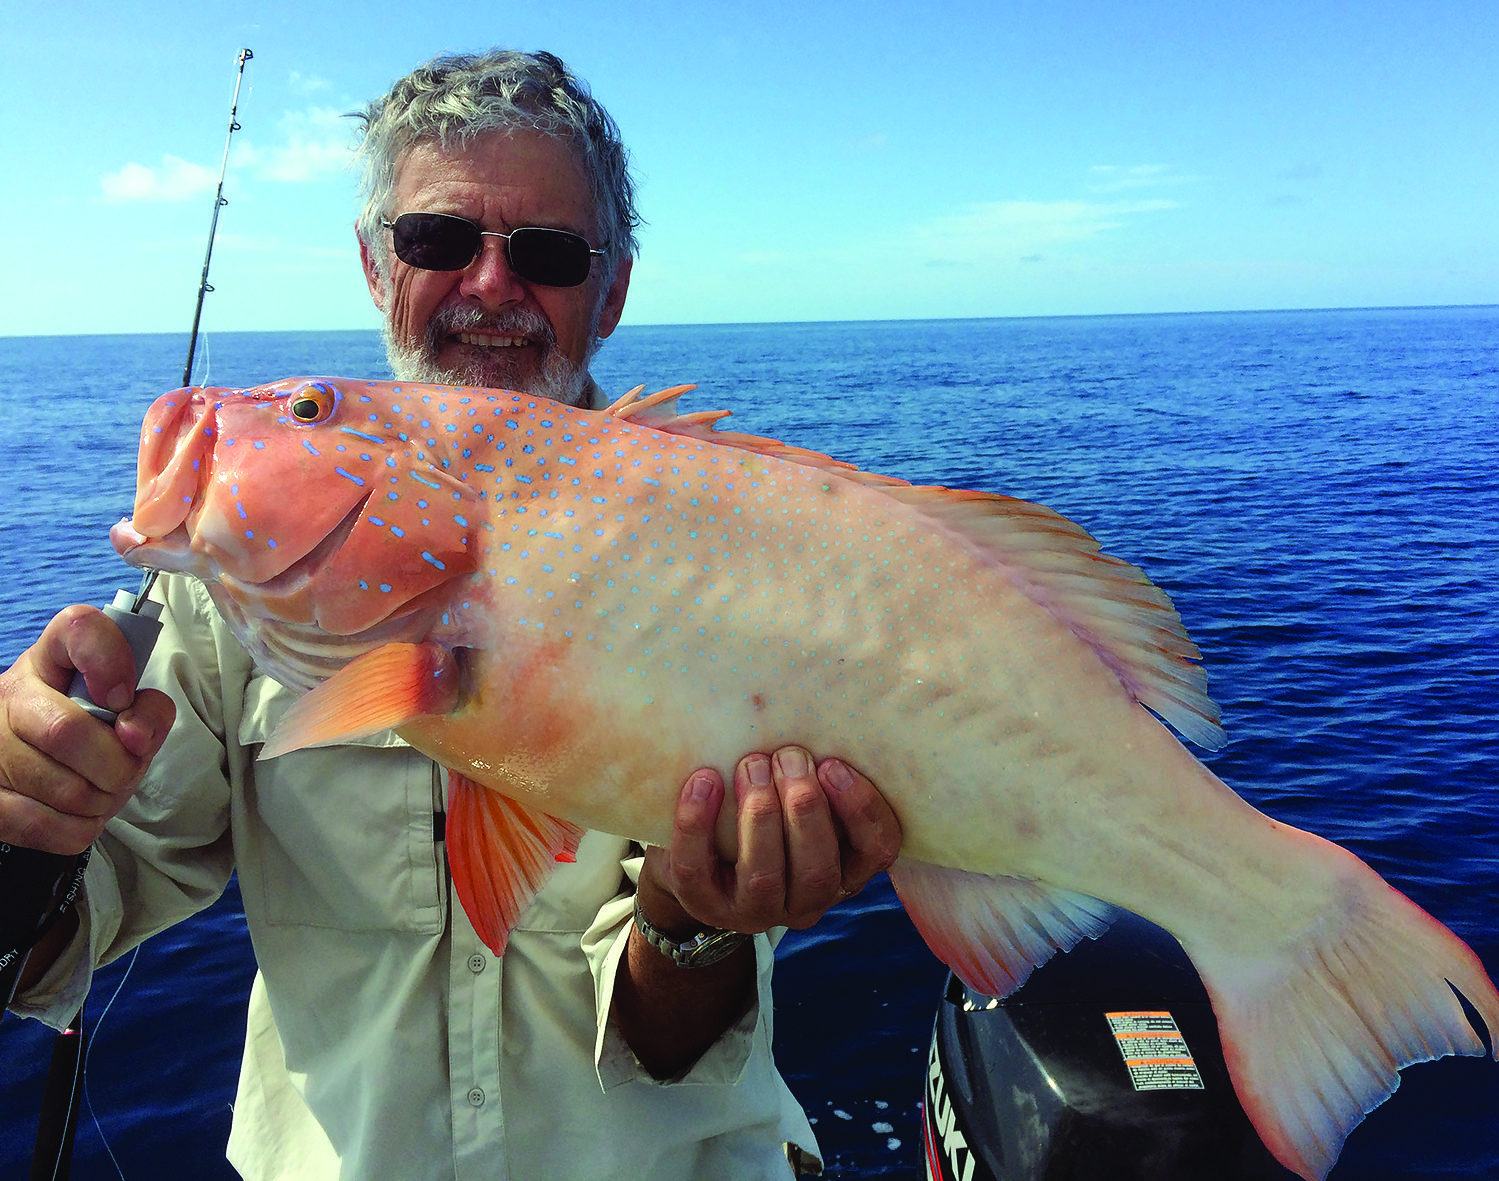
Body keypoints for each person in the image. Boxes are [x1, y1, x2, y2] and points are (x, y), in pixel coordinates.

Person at [0, 49, 902, 1180]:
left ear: (611, 291)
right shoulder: (224, 594)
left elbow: (673, 1037)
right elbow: (49, 935)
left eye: (548, 254)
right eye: (436, 241)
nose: (488, 286)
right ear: (379, 270)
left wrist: (697, 914)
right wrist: (19, 810)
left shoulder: (712, 548)